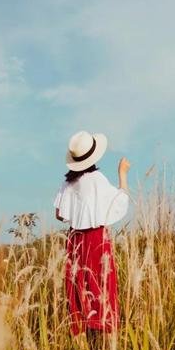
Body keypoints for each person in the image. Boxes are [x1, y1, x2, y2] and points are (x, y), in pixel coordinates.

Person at [53, 130, 131, 338]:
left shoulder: (67, 183)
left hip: (75, 238)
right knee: (102, 284)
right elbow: (119, 202)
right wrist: (122, 173)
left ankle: (79, 341)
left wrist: (78, 209)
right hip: (96, 237)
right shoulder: (97, 179)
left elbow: (59, 215)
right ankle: (104, 341)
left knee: (77, 285)